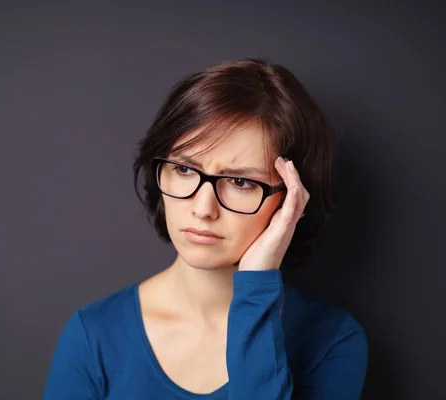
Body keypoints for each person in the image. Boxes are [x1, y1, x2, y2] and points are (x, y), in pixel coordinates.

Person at [43, 58, 368, 399]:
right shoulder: (94, 335)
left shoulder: (332, 340)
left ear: (291, 200)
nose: (203, 209)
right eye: (184, 170)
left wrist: (256, 286)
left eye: (240, 181)